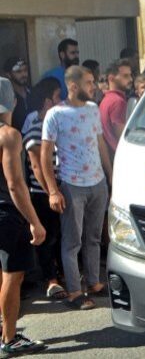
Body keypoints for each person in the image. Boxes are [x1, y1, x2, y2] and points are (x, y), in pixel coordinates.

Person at [41, 66, 113, 310]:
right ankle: (74, 291)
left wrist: (110, 176)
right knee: (72, 241)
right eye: (89, 82)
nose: (94, 87)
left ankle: (93, 282)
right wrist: (53, 190)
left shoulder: (93, 110)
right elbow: (45, 154)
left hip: (97, 183)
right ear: (73, 86)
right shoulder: (55, 114)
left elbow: (100, 143)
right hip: (72, 185)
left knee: (93, 237)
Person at [0, 77, 47, 355]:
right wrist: (35, 221)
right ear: (13, 102)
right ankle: (9, 338)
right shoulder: (9, 134)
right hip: (7, 212)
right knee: (13, 276)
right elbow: (16, 185)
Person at [21, 77, 66, 301]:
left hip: (58, 188)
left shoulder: (55, 122)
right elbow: (37, 164)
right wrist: (51, 192)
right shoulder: (34, 124)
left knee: (59, 235)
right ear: (47, 100)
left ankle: (61, 274)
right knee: (47, 237)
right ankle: (51, 279)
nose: (61, 100)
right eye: (58, 96)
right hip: (43, 193)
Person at [99, 59, 133, 158]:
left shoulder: (106, 99)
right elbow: (122, 137)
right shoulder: (118, 102)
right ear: (111, 78)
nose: (130, 79)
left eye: (130, 75)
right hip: (118, 156)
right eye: (125, 76)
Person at [3, 58, 30, 132]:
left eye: (25, 70)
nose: (24, 74)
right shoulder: (6, 98)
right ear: (8, 74)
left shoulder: (33, 93)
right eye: (18, 72)